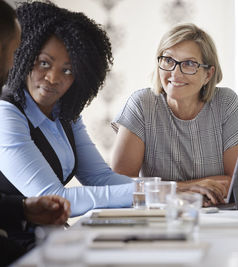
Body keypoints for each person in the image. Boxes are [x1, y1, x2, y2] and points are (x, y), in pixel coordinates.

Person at [0, 1, 137, 218]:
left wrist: (169, 190)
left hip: (50, 239)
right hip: (16, 248)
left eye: (68, 70)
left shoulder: (64, 113)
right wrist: (152, 194)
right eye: (44, 63)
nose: (53, 78)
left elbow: (101, 178)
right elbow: (54, 197)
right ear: (23, 56)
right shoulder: (6, 114)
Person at [111, 23, 238, 206]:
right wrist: (186, 188)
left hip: (217, 214)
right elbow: (119, 185)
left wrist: (161, 189)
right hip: (160, 218)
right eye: (168, 60)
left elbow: (236, 183)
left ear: (208, 75)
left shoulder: (226, 103)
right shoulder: (141, 104)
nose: (175, 73)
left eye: (189, 64)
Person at [0, 1, 70, 265]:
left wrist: (23, 208)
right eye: (14, 52)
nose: (13, 64)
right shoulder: (6, 110)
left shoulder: (65, 114)